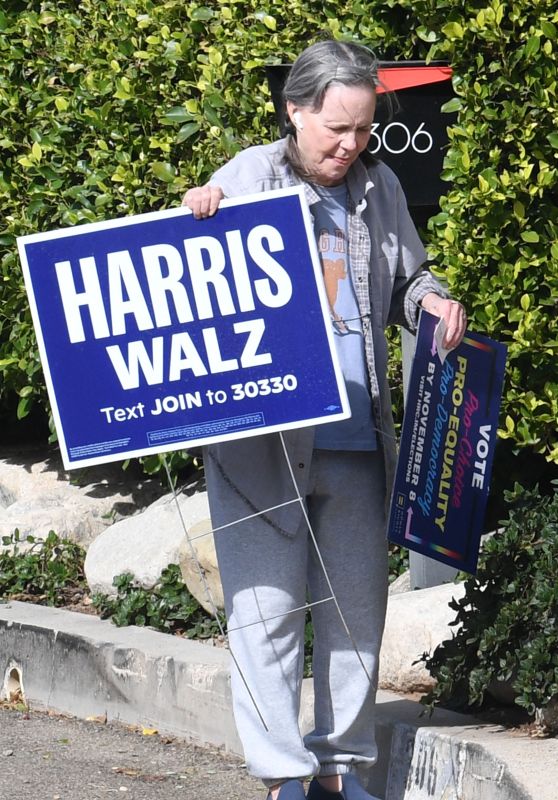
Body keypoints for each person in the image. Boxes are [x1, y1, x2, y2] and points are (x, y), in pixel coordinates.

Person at [182, 40, 466, 800]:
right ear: (295, 111)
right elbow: (183, 271)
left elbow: (410, 277)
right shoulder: (249, 175)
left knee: (355, 618)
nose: (350, 144)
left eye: (363, 129)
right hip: (261, 446)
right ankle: (283, 779)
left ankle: (342, 771)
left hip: (355, 441)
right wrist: (197, 212)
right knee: (265, 617)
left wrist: (432, 302)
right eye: (336, 128)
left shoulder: (381, 188)